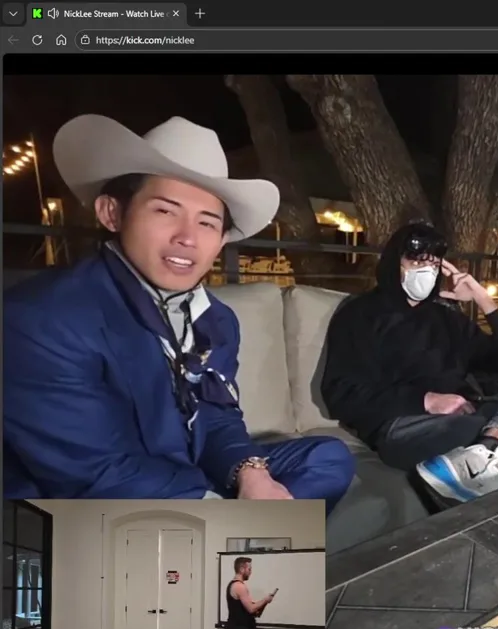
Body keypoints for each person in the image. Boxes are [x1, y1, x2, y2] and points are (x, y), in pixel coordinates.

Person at [3, 115, 356, 508]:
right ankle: (242, 537)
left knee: (328, 457)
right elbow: (97, 475)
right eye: (165, 212)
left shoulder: (215, 320)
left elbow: (217, 416)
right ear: (112, 213)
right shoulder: (42, 319)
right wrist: (217, 506)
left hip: (186, 471)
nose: (187, 237)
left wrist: (250, 473)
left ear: (221, 240)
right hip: (93, 505)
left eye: (207, 223)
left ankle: (241, 536)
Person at [320, 222, 498, 505]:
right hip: (405, 424)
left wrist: (483, 300)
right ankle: (496, 469)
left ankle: (491, 446)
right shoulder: (361, 314)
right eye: (416, 261)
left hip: (472, 412)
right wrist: (427, 400)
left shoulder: (446, 318)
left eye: (434, 264)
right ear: (393, 263)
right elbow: (341, 393)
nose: (427, 271)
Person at [226, 557, 273, 629]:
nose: (250, 572)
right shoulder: (239, 586)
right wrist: (265, 600)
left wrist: (265, 602)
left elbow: (253, 610)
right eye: (249, 569)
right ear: (241, 569)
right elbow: (251, 608)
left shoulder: (239, 586)